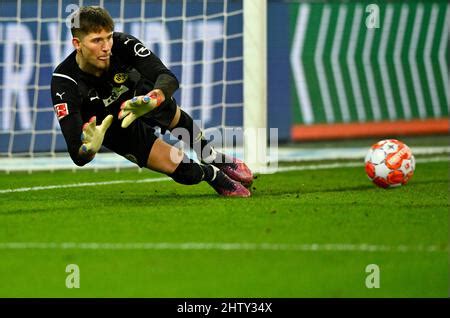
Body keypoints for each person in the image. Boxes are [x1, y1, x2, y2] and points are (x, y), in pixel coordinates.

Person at [51, 6, 253, 197]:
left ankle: (209, 154)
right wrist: (88, 149)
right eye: (97, 41)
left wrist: (154, 98)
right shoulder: (64, 82)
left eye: (108, 38)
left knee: (154, 93)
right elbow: (76, 153)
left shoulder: (122, 45)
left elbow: (166, 76)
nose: (106, 47)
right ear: (77, 44)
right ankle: (211, 174)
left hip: (137, 101)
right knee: (183, 172)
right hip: (114, 126)